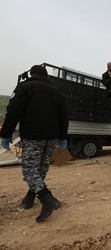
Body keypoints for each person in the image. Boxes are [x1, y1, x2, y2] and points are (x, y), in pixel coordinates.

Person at [0, 65, 69, 222]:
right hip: (51, 137)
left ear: (31, 74)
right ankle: (30, 197)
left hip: (33, 136)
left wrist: (5, 133)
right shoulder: (58, 92)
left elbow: (13, 111)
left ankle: (47, 199)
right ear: (46, 76)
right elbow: (64, 116)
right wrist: (62, 137)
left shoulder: (25, 87)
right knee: (41, 169)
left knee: (30, 170)